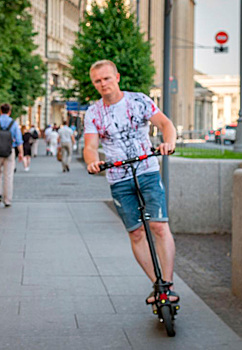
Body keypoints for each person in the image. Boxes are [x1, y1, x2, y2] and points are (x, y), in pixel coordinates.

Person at [83, 60, 179, 304]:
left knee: (158, 226)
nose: (103, 84)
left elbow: (166, 124)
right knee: (136, 233)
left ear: (117, 77)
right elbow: (90, 146)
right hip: (118, 177)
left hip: (147, 170)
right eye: (97, 81)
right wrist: (93, 161)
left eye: (106, 78)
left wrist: (169, 142)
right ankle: (156, 285)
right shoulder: (93, 113)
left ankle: (167, 283)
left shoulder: (139, 100)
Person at [0, 103, 23, 207]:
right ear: (9, 112)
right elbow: (19, 140)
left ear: (0, 111)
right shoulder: (14, 123)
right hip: (9, 152)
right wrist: (21, 153)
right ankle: (7, 200)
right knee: (8, 175)